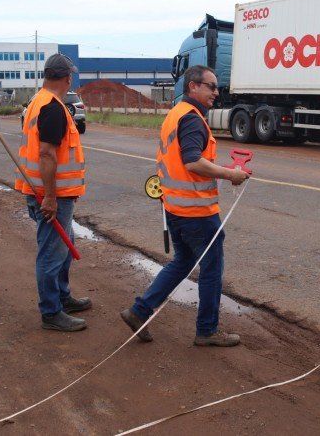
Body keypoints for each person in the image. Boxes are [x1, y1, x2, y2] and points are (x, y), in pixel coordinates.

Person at [121, 65, 250, 347]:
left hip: (175, 208)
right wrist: (230, 174)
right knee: (211, 269)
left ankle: (139, 311)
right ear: (193, 86)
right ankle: (207, 331)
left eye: (217, 87)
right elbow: (192, 161)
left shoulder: (176, 115)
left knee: (182, 262)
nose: (217, 92)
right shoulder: (191, 119)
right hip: (196, 212)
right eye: (211, 86)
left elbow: (182, 162)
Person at [15, 53, 90, 332]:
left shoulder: (38, 101)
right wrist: (49, 197)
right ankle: (51, 312)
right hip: (51, 196)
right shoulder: (52, 107)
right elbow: (46, 154)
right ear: (67, 78)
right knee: (51, 254)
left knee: (62, 250)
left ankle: (62, 297)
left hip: (49, 193)